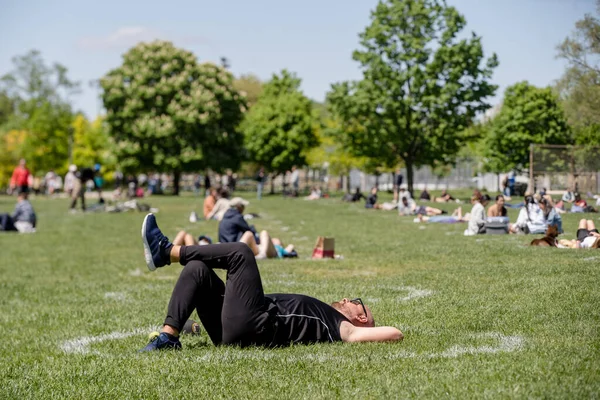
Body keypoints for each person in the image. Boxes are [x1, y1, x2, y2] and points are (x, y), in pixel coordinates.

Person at [139, 213, 403, 350]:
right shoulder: (328, 316)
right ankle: (167, 339)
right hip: (239, 325)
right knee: (198, 269)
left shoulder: (341, 326)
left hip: (255, 327)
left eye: (359, 305)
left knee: (241, 253)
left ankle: (168, 252)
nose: (348, 300)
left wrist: (367, 328)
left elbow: (394, 333)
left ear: (361, 319)